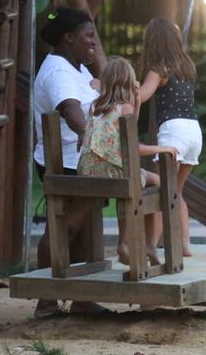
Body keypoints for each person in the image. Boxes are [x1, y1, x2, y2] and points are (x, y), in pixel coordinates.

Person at [32, 5, 107, 318]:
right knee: (66, 226)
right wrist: (105, 145)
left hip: (84, 158)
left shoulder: (76, 66)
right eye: (88, 36)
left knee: (84, 226)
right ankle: (47, 300)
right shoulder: (59, 71)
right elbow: (74, 116)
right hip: (64, 161)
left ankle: (81, 297)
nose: (93, 42)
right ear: (67, 37)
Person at [77, 56, 179, 266]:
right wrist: (163, 148)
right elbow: (132, 146)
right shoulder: (125, 108)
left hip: (87, 172)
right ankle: (142, 243)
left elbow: (124, 135)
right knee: (157, 181)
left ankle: (130, 243)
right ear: (129, 84)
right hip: (113, 173)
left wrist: (138, 102)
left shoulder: (94, 106)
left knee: (130, 183)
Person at [139, 18, 202, 257]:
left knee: (161, 190)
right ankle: (184, 244)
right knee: (175, 191)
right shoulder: (187, 67)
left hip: (174, 131)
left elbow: (143, 95)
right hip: (194, 132)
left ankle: (150, 246)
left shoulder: (159, 69)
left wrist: (127, 89)